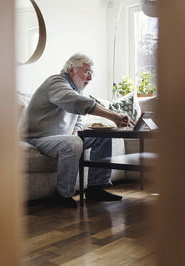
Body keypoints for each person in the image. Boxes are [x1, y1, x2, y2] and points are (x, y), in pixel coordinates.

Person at [25, 53, 134, 208]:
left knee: (101, 137)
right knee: (72, 143)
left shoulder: (77, 91)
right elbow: (76, 102)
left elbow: (79, 119)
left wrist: (75, 132)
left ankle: (96, 188)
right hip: (37, 138)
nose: (90, 77)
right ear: (71, 69)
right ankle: (63, 195)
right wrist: (114, 116)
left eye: (91, 73)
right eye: (87, 72)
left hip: (58, 139)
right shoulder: (56, 82)